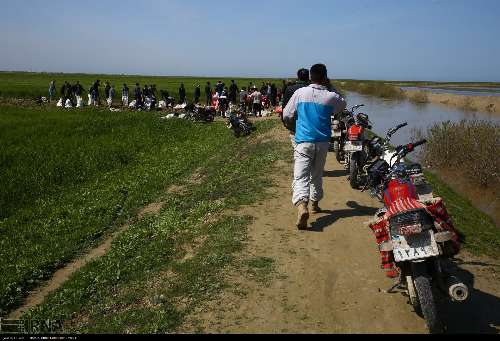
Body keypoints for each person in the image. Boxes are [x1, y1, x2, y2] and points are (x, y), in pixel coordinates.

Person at [282, 64, 347, 230]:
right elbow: (343, 104)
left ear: (310, 77)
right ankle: (314, 205)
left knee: (300, 175)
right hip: (323, 141)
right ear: (325, 77)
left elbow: (287, 114)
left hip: (304, 141)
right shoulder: (331, 96)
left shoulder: (300, 93)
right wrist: (330, 85)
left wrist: (294, 124)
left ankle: (302, 206)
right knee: (317, 174)